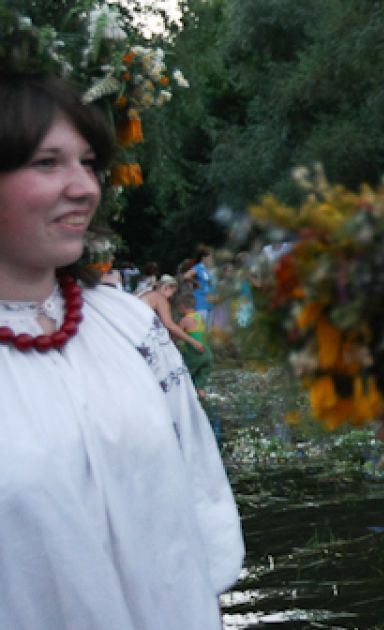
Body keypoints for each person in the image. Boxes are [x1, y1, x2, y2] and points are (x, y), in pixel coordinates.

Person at [0, 73, 242, 627]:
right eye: (47, 163)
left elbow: (198, 488)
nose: (85, 187)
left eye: (88, 163)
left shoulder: (128, 325)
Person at [139, 274, 206, 355]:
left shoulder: (146, 293)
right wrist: (194, 342)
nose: (171, 296)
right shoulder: (160, 299)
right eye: (173, 292)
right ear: (166, 288)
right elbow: (170, 325)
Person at [176, 291, 213, 399]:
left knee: (185, 377)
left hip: (195, 356)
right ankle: (202, 397)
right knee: (200, 386)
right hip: (207, 355)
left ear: (182, 306)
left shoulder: (184, 320)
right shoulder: (200, 316)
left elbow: (176, 335)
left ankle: (186, 400)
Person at [184, 244, 214, 324]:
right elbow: (186, 276)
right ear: (203, 258)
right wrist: (195, 282)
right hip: (200, 303)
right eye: (210, 257)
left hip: (209, 304)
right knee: (199, 326)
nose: (211, 259)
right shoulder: (198, 267)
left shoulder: (207, 269)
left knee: (208, 328)